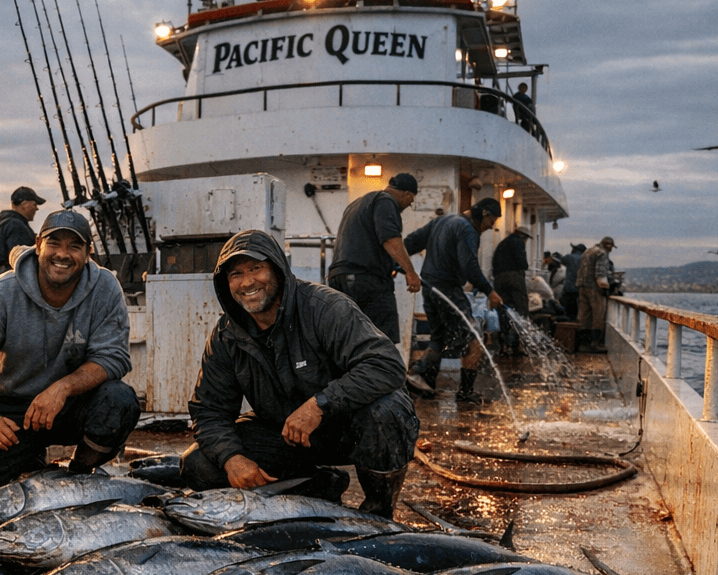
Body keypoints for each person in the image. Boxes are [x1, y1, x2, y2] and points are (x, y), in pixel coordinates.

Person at [181, 230, 419, 518]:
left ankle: (378, 514)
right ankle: (319, 487)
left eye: (257, 268)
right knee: (197, 463)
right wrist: (232, 458)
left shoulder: (325, 308)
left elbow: (386, 364)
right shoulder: (226, 335)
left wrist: (320, 405)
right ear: (225, 283)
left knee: (388, 410)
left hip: (347, 429)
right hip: (285, 434)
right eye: (236, 274)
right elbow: (209, 410)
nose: (247, 282)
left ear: (278, 269)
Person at [0, 209, 138, 499]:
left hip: (72, 405)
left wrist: (62, 388)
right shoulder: (1, 293)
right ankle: (28, 454)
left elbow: (114, 357)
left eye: (74, 246)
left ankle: (79, 472)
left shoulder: (105, 287)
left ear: (88, 252)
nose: (63, 254)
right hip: (11, 407)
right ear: (38, 244)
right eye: (54, 243)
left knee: (119, 400)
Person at [402, 197, 506, 402]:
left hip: (429, 288)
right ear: (484, 213)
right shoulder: (467, 229)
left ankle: (423, 383)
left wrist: (399, 266)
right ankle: (463, 390)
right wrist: (489, 291)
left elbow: (410, 243)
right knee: (474, 338)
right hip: (448, 290)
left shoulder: (442, 220)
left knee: (439, 336)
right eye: (491, 222)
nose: (489, 227)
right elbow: (469, 266)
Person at [327, 172, 422, 346]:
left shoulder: (357, 203)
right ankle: (380, 373)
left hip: (338, 278)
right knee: (380, 339)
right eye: (411, 199)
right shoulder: (386, 201)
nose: (410, 204)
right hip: (365, 281)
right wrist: (411, 272)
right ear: (407, 194)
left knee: (349, 339)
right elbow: (390, 239)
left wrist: (388, 265)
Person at [490, 226, 532, 355]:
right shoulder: (518, 242)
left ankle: (502, 345)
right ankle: (517, 345)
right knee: (520, 310)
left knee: (503, 311)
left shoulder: (503, 242)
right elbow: (523, 263)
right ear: (523, 236)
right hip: (513, 278)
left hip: (498, 279)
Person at [0, 186, 46, 277]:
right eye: (35, 204)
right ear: (24, 204)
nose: (37, 208)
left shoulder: (6, 223)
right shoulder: (16, 226)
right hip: (15, 280)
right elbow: (21, 260)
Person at [575, 237, 617, 353]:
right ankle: (595, 343)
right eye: (611, 248)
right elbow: (600, 273)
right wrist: (605, 288)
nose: (611, 250)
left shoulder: (588, 251)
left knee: (584, 315)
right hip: (594, 288)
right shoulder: (602, 253)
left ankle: (583, 344)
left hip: (582, 286)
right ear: (608, 245)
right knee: (598, 315)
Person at [559, 243, 585, 319]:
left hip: (568, 289)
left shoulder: (569, 257)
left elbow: (562, 260)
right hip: (580, 289)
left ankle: (566, 326)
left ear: (575, 250)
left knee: (566, 310)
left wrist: (560, 256)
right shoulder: (585, 258)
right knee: (576, 311)